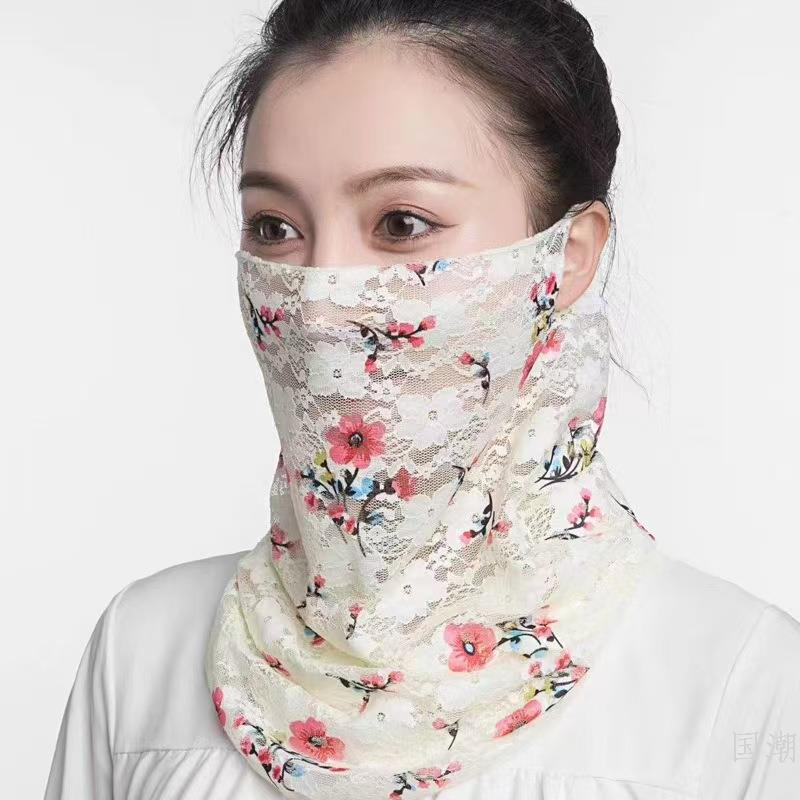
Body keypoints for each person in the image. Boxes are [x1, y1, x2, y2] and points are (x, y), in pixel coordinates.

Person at [44, 1, 800, 799]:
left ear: (567, 257)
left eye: (402, 223)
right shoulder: (142, 655)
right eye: (273, 228)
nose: (319, 301)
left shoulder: (737, 685)